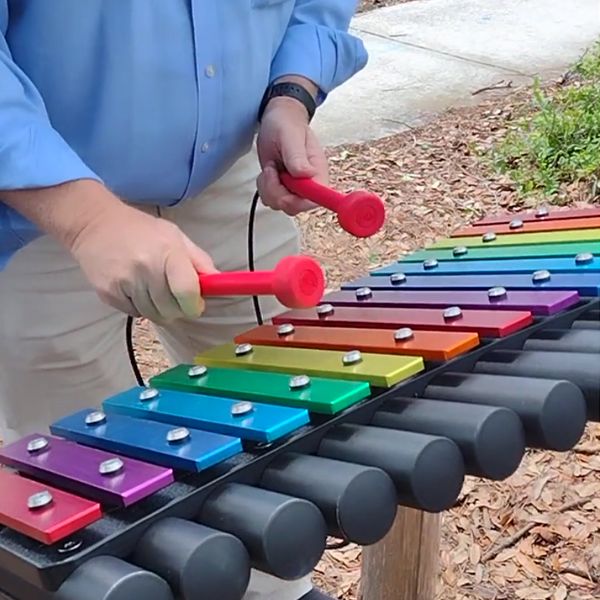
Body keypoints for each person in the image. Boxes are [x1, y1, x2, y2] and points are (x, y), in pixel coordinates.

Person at [0, 1, 368, 599]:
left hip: (231, 174)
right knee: (78, 495)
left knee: (277, 424)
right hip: (40, 204)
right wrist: (89, 223)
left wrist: (290, 95)